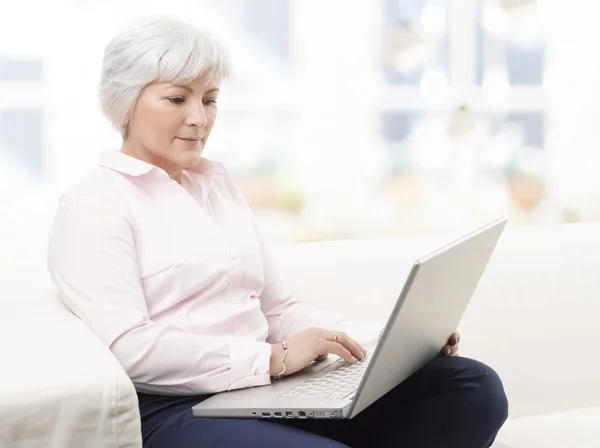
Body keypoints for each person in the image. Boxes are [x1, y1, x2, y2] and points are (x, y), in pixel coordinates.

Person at [47, 16, 508, 448]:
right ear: (125, 100)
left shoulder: (216, 185)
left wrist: (393, 344)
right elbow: (130, 349)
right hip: (178, 409)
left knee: (472, 387)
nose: (200, 118)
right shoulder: (94, 205)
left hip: (268, 388)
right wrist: (272, 359)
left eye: (209, 99)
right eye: (177, 98)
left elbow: (280, 309)